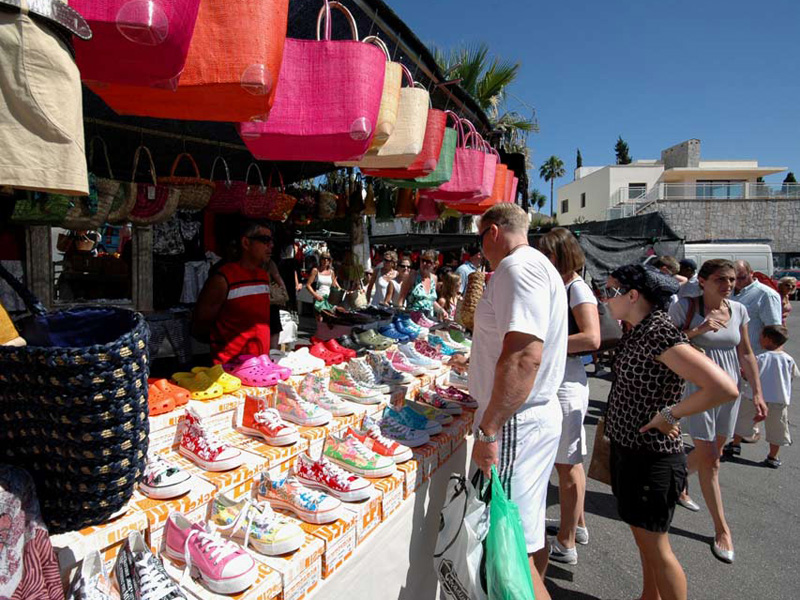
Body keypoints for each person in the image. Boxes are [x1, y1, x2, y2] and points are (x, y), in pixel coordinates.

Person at [603, 264, 738, 600]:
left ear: (633, 296)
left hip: (653, 457)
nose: (605, 298)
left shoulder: (659, 332)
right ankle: (650, 596)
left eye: (610, 291)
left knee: (657, 548)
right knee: (645, 541)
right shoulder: (639, 328)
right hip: (630, 449)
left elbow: (724, 387)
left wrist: (670, 414)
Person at [468, 203, 566, 600]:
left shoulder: (516, 268)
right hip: (527, 417)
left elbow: (525, 355)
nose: (481, 249)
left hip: (514, 422)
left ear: (492, 232)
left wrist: (490, 426)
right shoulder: (538, 265)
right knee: (522, 537)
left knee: (506, 549)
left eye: (480, 239)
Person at [668, 259, 766, 563]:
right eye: (721, 280)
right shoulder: (685, 307)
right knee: (711, 460)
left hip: (730, 390)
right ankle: (722, 529)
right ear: (703, 280)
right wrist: (698, 330)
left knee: (715, 453)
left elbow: (746, 352)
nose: (728, 285)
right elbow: (664, 344)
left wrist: (759, 393)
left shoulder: (739, 310)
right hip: (699, 389)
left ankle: (674, 475)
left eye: (732, 279)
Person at [537, 228, 600, 565]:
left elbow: (592, 338)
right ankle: (577, 525)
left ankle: (567, 541)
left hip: (567, 382)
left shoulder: (577, 289)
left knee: (567, 463)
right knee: (571, 462)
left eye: (546, 253)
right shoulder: (565, 285)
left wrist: (546, 344)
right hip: (565, 379)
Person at [192, 221, 273, 364]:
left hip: (260, 365)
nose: (270, 246)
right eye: (265, 240)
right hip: (230, 367)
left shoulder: (263, 276)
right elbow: (201, 323)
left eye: (271, 241)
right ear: (246, 243)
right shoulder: (223, 278)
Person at [730, 260, 782, 443]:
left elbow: (774, 330)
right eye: (733, 279)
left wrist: (770, 361)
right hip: (731, 356)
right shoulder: (731, 293)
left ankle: (748, 432)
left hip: (754, 357)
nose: (737, 282)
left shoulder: (766, 295)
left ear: (752, 272)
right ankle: (737, 431)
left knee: (750, 401)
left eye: (742, 277)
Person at [733, 325, 798, 468]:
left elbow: (749, 374)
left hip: (754, 397)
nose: (759, 339)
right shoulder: (788, 359)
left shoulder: (761, 358)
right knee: (777, 428)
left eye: (761, 336)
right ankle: (773, 456)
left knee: (743, 420)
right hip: (778, 399)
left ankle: (735, 444)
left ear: (768, 339)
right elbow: (793, 375)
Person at [397, 250, 445, 319]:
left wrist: (441, 310)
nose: (424, 263)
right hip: (412, 320)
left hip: (428, 320)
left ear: (435, 264)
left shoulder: (434, 278)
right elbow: (401, 300)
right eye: (423, 260)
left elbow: (430, 300)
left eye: (428, 262)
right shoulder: (412, 275)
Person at [305, 252, 341, 321]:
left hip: (329, 300)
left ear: (330, 261)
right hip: (319, 299)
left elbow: (334, 285)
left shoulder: (331, 272)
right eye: (324, 259)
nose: (325, 261)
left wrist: (342, 291)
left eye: (328, 259)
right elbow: (308, 285)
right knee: (320, 321)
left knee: (329, 321)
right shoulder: (315, 270)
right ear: (320, 260)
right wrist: (316, 295)